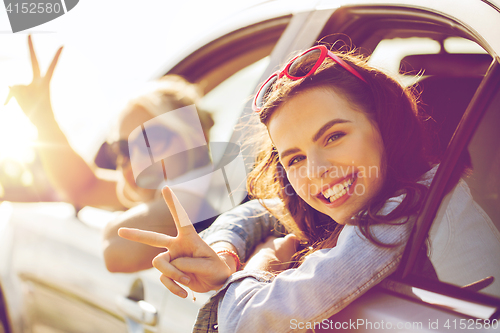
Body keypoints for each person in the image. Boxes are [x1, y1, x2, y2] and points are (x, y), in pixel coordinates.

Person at [118, 44, 438, 332]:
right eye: (295, 158)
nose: (316, 171)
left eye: (334, 136)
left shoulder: (398, 214)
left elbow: (246, 322)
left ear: (383, 123)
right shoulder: (387, 191)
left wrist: (259, 265)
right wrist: (224, 253)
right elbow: (261, 210)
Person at [6, 36, 215, 273]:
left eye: (150, 141)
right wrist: (43, 119)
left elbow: (117, 249)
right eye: (122, 149)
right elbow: (83, 187)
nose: (135, 159)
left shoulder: (204, 190)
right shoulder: (159, 188)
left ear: (193, 139)